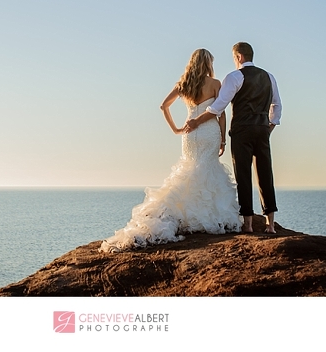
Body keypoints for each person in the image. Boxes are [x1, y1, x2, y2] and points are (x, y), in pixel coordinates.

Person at [99, 48, 241, 253]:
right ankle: (205, 214)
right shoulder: (215, 84)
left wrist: (175, 129)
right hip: (209, 131)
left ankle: (184, 212)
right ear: (208, 63)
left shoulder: (183, 85)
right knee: (208, 168)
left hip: (189, 133)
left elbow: (163, 106)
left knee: (191, 169)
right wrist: (222, 140)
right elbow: (220, 113)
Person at [185, 42, 281, 234]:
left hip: (242, 131)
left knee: (243, 175)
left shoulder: (235, 76)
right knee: (265, 173)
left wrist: (197, 121)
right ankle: (270, 224)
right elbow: (276, 105)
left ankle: (248, 223)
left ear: (238, 57)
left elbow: (218, 106)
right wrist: (269, 127)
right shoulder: (269, 77)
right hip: (262, 129)